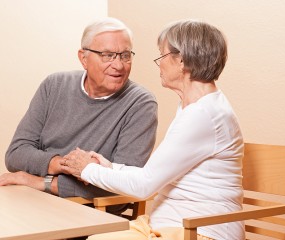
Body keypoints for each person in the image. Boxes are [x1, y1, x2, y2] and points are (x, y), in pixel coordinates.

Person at [61, 19, 245, 240]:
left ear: (182, 61)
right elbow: (154, 175)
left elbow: (144, 186)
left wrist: (86, 170)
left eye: (163, 55)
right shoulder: (196, 107)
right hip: (169, 226)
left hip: (201, 231)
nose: (159, 64)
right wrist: (109, 166)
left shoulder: (203, 114)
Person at [0, 17, 158, 215]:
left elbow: (122, 186)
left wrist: (39, 181)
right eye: (108, 55)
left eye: (125, 55)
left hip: (90, 215)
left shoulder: (141, 103)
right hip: (32, 203)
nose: (119, 65)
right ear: (83, 58)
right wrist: (66, 165)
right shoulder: (54, 85)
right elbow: (16, 155)